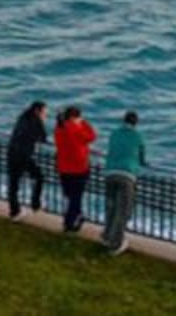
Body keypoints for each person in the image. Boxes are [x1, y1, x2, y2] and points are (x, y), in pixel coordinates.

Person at [101, 110, 146, 255]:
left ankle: (107, 236)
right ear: (136, 123)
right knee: (123, 211)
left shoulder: (114, 133)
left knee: (111, 206)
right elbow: (142, 157)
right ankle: (115, 244)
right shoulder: (138, 136)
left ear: (123, 120)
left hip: (110, 172)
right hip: (127, 175)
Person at [53, 106, 97, 232]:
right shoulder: (76, 129)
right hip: (78, 168)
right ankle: (69, 222)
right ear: (74, 117)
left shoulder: (59, 129)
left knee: (71, 195)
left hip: (63, 167)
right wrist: (83, 123)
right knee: (76, 197)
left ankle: (77, 216)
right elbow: (92, 136)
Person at [6, 100, 48, 220]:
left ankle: (14, 212)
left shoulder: (23, 118)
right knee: (39, 177)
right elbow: (43, 138)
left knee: (13, 184)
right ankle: (35, 203)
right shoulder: (36, 122)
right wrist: (42, 122)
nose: (45, 115)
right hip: (23, 155)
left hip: (12, 152)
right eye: (44, 112)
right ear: (37, 111)